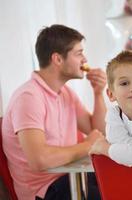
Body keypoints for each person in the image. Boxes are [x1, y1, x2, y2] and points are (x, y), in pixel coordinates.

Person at [2, 24, 107, 200]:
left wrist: (98, 93)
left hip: (69, 177)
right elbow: (39, 159)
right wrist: (88, 145)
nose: (85, 59)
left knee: (123, 182)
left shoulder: (66, 93)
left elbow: (97, 130)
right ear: (57, 59)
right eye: (79, 53)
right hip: (44, 190)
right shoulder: (28, 97)